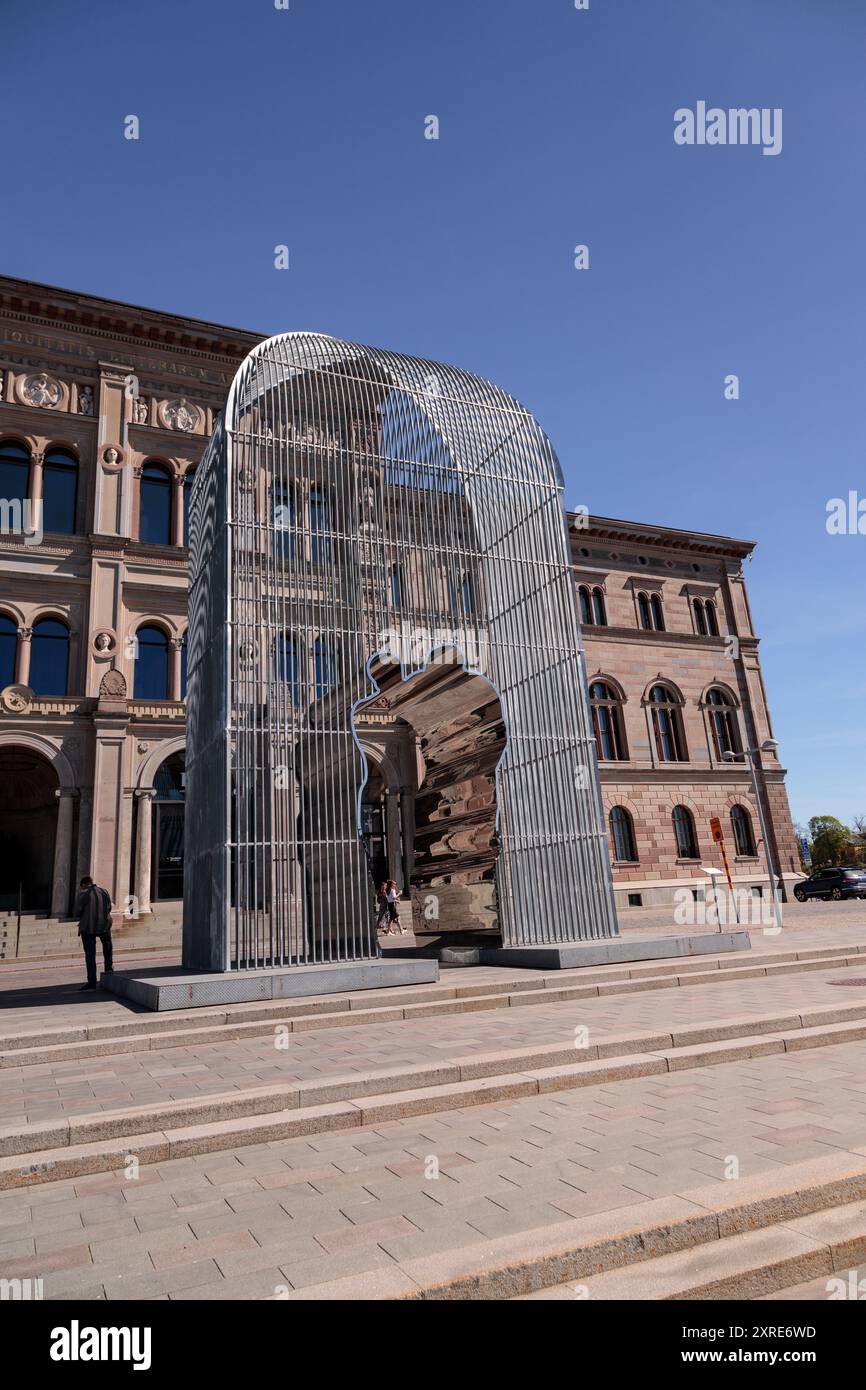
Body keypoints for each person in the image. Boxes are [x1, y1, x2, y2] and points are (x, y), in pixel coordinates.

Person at [75, 876, 113, 990]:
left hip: (88, 927)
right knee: (108, 949)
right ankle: (109, 972)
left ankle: (92, 981)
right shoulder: (104, 891)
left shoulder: (83, 894)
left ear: (83, 885)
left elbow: (77, 911)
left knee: (90, 955)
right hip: (105, 925)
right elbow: (109, 907)